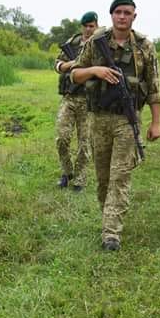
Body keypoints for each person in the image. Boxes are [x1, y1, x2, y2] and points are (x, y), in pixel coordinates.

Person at [71, 0, 160, 251]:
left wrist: (156, 123)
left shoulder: (145, 46)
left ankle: (111, 232)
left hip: (126, 119)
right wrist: (95, 71)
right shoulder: (96, 41)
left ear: (135, 16)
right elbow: (75, 74)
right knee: (102, 178)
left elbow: (154, 87)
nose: (122, 17)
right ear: (111, 15)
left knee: (120, 176)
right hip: (98, 119)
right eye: (118, 12)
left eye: (127, 13)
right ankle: (108, 217)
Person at [54, 11, 98, 192]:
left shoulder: (100, 44)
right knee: (61, 138)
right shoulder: (72, 43)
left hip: (89, 101)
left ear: (96, 26)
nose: (88, 29)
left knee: (84, 143)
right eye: (86, 26)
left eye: (92, 26)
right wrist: (72, 64)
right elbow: (57, 65)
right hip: (69, 98)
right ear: (82, 27)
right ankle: (67, 172)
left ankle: (80, 179)